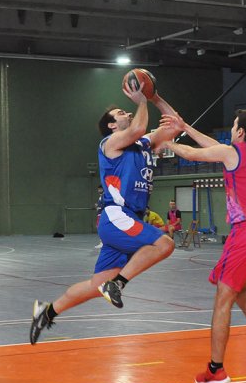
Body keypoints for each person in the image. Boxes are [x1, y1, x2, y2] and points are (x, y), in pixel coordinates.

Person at [29, 80, 179, 344]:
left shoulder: (143, 143)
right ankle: (117, 285)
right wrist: (142, 99)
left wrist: (154, 97)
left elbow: (175, 125)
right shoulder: (110, 143)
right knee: (165, 244)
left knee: (96, 285)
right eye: (120, 113)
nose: (127, 112)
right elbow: (140, 127)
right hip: (116, 216)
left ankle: (48, 311)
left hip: (130, 218)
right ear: (111, 125)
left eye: (126, 110)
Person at [160, 109, 246, 383]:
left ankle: (216, 369)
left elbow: (192, 154)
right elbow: (216, 148)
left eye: (234, 125)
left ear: (239, 133)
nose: (232, 129)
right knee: (239, 291)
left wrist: (166, 142)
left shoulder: (232, 152)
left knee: (222, 299)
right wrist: (185, 126)